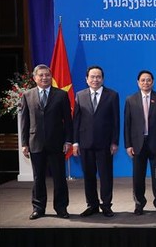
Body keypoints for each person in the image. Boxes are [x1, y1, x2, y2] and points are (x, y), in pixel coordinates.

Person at [19, 64, 73, 220]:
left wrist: (68, 140)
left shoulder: (61, 95)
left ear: (51, 77)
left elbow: (68, 121)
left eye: (47, 75)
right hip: (35, 142)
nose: (44, 78)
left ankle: (61, 208)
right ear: (35, 78)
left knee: (59, 178)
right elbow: (25, 122)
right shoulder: (27, 96)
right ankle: (38, 208)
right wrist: (24, 144)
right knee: (38, 178)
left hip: (57, 143)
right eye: (41, 75)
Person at [73, 65, 120, 217]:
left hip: (105, 143)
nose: (95, 79)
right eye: (92, 77)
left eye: (98, 76)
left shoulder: (112, 95)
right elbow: (76, 121)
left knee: (106, 175)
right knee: (89, 175)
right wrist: (75, 142)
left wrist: (114, 142)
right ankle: (92, 205)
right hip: (85, 143)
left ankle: (106, 205)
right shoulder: (80, 95)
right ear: (86, 79)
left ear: (103, 79)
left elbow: (116, 121)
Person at [124, 70, 156, 215]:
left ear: (153, 82)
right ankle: (139, 204)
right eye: (143, 80)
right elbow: (127, 124)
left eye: (148, 80)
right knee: (138, 176)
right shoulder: (130, 100)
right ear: (138, 82)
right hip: (138, 144)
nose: (146, 82)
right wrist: (128, 145)